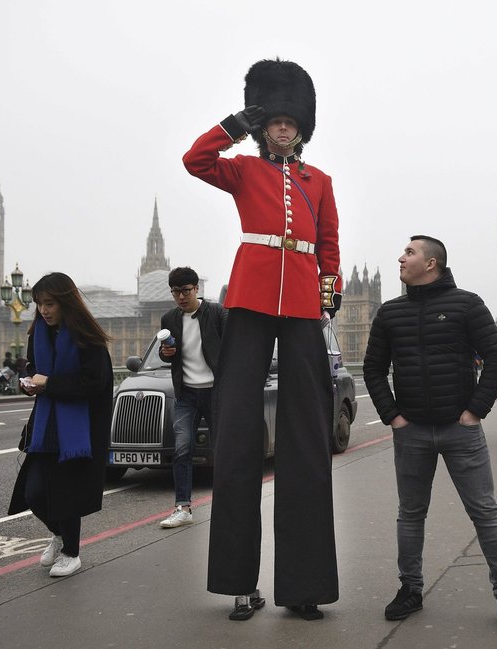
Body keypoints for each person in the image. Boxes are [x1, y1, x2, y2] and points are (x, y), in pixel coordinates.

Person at [183, 57, 341, 622]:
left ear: (301, 127)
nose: (282, 127)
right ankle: (238, 583)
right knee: (235, 443)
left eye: (289, 121)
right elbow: (194, 159)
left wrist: (330, 290)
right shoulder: (244, 172)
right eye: (272, 120)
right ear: (264, 124)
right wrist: (234, 124)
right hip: (250, 302)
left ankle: (304, 585)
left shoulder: (318, 182)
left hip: (300, 307)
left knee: (306, 444)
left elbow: (327, 243)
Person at [363, 235, 497, 629]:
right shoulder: (390, 312)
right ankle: (410, 588)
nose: (400, 257)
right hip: (411, 431)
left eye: (409, 252)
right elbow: (374, 368)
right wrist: (392, 416)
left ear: (432, 263)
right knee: (410, 514)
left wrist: (476, 410)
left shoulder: (467, 304)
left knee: (485, 513)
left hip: (460, 431)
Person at [7, 272, 113, 577]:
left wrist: (49, 384)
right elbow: (34, 369)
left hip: (78, 428)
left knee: (66, 491)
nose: (43, 310)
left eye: (50, 303)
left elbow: (95, 384)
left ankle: (71, 553)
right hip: (46, 423)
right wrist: (29, 383)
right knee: (34, 493)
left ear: (66, 303)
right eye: (39, 304)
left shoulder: (88, 339)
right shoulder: (36, 333)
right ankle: (59, 535)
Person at [157, 267, 227, 529]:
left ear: (197, 289)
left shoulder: (218, 313)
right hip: (186, 393)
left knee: (221, 448)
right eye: (175, 292)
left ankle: (226, 502)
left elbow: (230, 346)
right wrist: (167, 352)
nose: (180, 297)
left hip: (214, 390)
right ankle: (182, 507)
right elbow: (167, 356)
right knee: (182, 449)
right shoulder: (168, 319)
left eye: (185, 291)